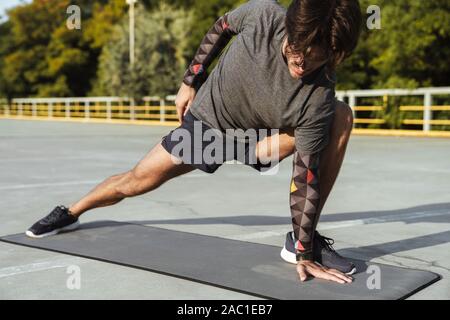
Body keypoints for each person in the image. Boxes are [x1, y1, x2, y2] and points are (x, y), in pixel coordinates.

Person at [26, 0, 362, 284]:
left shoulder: (318, 96)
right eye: (297, 49)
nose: (302, 62)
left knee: (340, 115)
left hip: (258, 143)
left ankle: (303, 240)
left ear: (335, 53)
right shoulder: (262, 15)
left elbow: (305, 178)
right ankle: (70, 212)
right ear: (290, 27)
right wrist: (190, 80)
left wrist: (303, 252)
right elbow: (221, 28)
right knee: (136, 181)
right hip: (206, 129)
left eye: (316, 57)